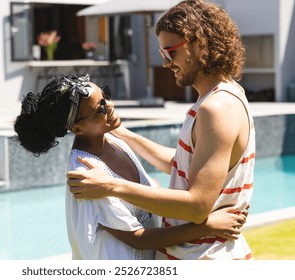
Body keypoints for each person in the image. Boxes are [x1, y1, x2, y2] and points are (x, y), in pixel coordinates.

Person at [67, 0, 255, 260]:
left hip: (206, 258)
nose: (166, 63)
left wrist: (111, 186)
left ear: (199, 44)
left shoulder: (216, 108)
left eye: (170, 52)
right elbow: (184, 166)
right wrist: (124, 134)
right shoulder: (225, 95)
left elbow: (197, 206)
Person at [14, 73, 247, 260]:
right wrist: (207, 227)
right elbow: (137, 238)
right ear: (78, 129)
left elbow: (166, 177)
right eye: (100, 110)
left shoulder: (114, 141)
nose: (110, 106)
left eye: (105, 97)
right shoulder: (86, 174)